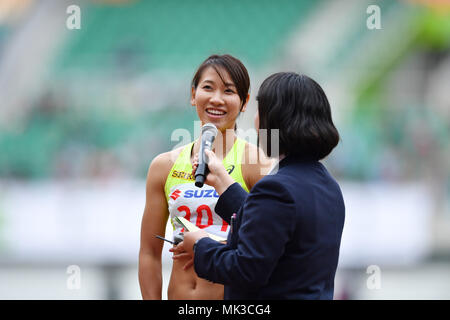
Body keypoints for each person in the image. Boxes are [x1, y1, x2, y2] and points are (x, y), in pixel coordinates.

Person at [171, 72, 345, 299]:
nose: (255, 121)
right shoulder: (327, 185)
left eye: (260, 110)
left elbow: (245, 269)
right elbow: (271, 225)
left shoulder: (276, 189)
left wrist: (200, 245)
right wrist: (223, 182)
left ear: (276, 119)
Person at [138, 54, 273, 300]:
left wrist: (210, 246)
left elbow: (268, 245)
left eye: (229, 91)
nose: (216, 99)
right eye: (208, 88)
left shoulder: (258, 164)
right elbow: (148, 252)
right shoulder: (163, 166)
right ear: (193, 95)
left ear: (244, 103)